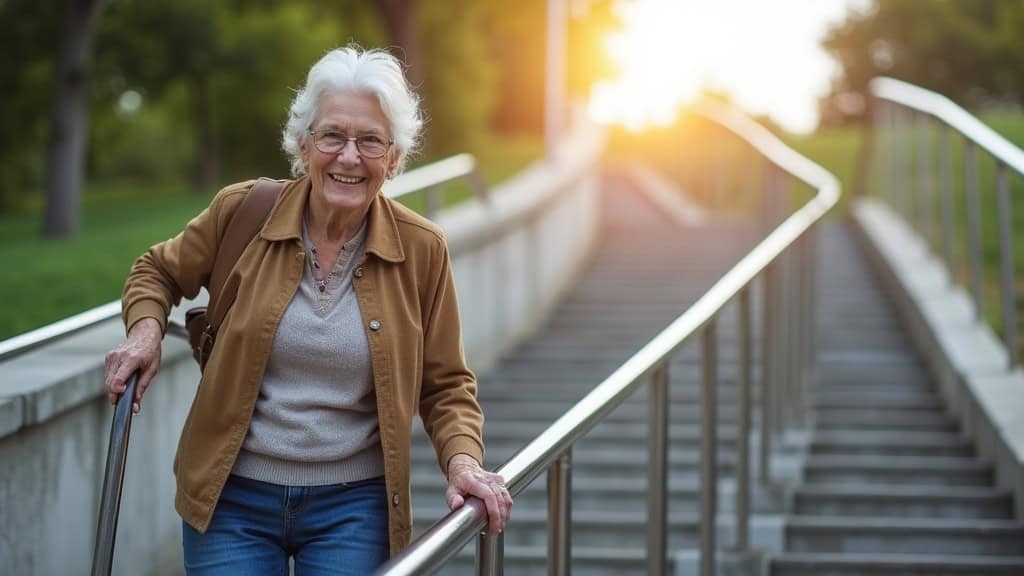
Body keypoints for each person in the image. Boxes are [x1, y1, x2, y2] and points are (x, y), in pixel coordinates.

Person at [103, 46, 512, 575]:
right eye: (332, 136)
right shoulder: (243, 211)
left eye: (370, 141)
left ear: (393, 158)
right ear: (303, 144)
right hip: (230, 500)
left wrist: (463, 462)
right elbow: (155, 271)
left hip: (354, 509)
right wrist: (146, 333)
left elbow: (446, 384)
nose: (349, 157)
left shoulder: (422, 248)